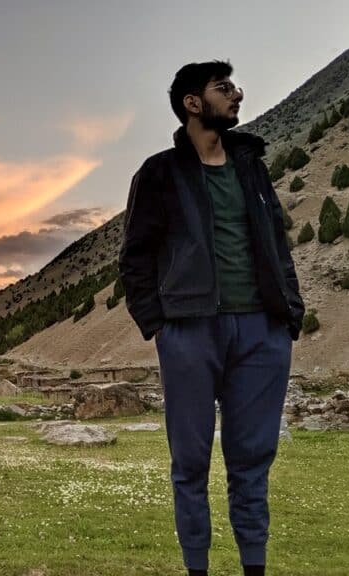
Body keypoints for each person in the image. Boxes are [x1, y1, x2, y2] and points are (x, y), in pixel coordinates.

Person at [118, 61, 305, 576]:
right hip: (189, 330)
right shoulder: (159, 172)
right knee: (191, 463)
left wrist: (290, 313)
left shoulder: (251, 166)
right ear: (192, 103)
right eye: (224, 88)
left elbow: (277, 244)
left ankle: (253, 567)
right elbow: (135, 256)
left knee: (252, 461)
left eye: (235, 86)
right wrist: (157, 322)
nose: (238, 95)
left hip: (262, 332)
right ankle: (196, 568)